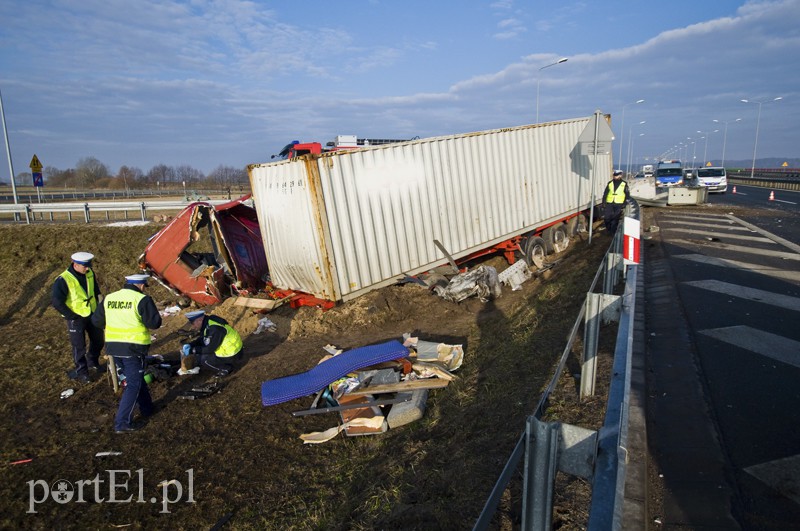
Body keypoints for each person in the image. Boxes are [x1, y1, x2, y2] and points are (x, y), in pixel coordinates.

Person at [91, 274, 162, 434]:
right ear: (142, 285)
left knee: (135, 378)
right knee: (134, 384)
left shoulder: (110, 298)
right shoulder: (142, 299)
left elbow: (97, 321)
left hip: (114, 348)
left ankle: (147, 408)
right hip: (133, 348)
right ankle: (122, 422)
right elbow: (155, 323)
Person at [52, 251, 105, 384]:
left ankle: (92, 362)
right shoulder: (63, 279)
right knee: (79, 346)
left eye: (89, 265)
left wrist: (100, 306)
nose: (87, 268)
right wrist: (72, 316)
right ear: (75, 264)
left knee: (98, 340)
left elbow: (95, 290)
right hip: (76, 318)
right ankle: (82, 372)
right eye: (84, 266)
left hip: (92, 313)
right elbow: (57, 301)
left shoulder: (90, 272)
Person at [181, 310, 243, 377]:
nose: (193, 327)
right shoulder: (208, 322)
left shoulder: (214, 328)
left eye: (193, 323)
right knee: (199, 354)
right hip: (231, 349)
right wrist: (191, 344)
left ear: (199, 320)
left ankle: (225, 369)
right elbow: (203, 339)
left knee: (204, 360)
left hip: (232, 353)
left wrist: (192, 350)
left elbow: (210, 349)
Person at [602, 170, 630, 234]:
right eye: (614, 175)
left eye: (616, 175)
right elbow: (605, 193)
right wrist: (603, 202)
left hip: (619, 203)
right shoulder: (610, 183)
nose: (615, 177)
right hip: (609, 203)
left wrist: (625, 203)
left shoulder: (624, 184)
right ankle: (608, 229)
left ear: (620, 175)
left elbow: (627, 194)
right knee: (606, 218)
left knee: (615, 219)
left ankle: (613, 233)